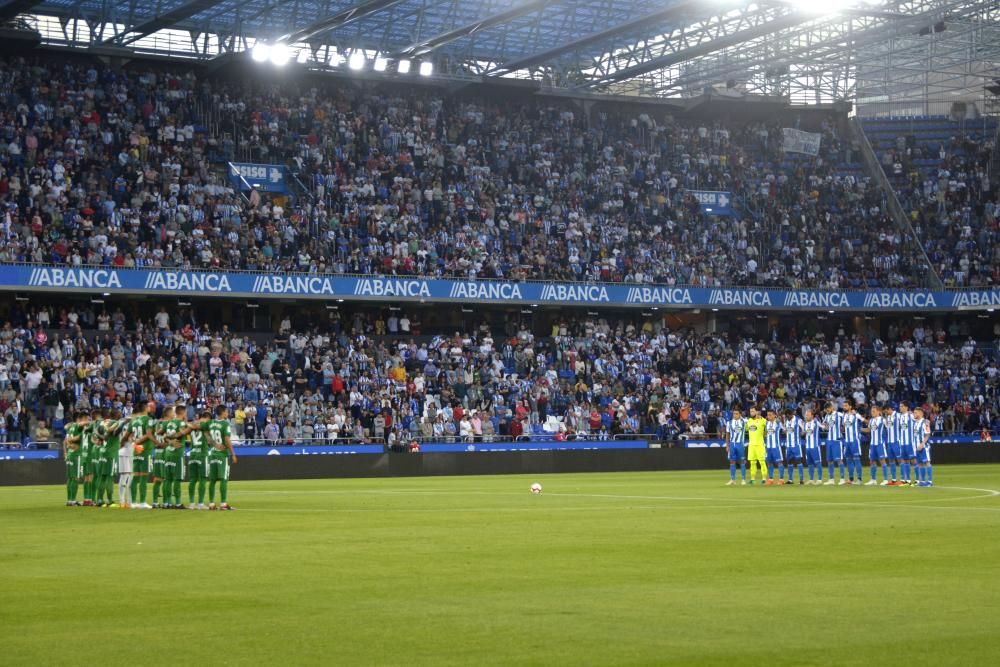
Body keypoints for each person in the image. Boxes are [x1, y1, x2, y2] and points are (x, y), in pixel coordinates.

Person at [202, 405, 237, 510]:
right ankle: (223, 504)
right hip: (222, 455)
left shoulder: (211, 423)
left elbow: (204, 430)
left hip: (212, 454)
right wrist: (233, 454)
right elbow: (227, 440)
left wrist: (213, 443)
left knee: (212, 480)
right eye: (226, 411)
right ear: (223, 412)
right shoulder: (225, 424)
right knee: (223, 479)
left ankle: (212, 504)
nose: (227, 413)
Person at [126, 401, 155, 508]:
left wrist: (134, 441)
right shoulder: (148, 419)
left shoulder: (134, 421)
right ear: (145, 408)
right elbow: (148, 434)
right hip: (145, 450)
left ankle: (133, 502)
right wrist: (157, 442)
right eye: (148, 406)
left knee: (135, 476)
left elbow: (129, 436)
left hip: (136, 451)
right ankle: (142, 502)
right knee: (143, 477)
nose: (150, 408)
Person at [184, 409, 212, 509]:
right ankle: (200, 503)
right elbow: (209, 440)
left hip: (192, 454)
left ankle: (191, 503)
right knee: (203, 479)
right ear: (208, 418)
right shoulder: (205, 425)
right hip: (202, 454)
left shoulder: (192, 425)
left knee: (192, 480)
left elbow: (184, 431)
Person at [161, 406, 186, 509]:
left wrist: (170, 441)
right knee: (177, 479)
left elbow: (164, 436)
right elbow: (181, 433)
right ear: (183, 413)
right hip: (177, 453)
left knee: (167, 479)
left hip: (168, 453)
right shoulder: (181, 423)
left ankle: (167, 502)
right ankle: (178, 503)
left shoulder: (169, 423)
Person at [62, 410, 87, 506]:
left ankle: (69, 500)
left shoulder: (70, 427)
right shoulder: (77, 426)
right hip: (76, 454)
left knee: (70, 478)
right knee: (76, 478)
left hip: (70, 454)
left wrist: (65, 452)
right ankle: (72, 500)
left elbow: (65, 441)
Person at [822, 402, 846, 485]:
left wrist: (842, 429)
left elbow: (845, 423)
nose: (827, 410)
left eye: (828, 409)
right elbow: (825, 426)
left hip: (837, 440)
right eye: (826, 409)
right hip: (829, 440)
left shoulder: (839, 415)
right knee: (829, 460)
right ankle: (831, 479)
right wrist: (823, 427)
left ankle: (842, 479)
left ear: (832, 407)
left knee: (839, 460)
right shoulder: (826, 416)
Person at [864, 406, 889, 486]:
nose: (872, 413)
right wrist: (860, 429)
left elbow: (890, 428)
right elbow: (869, 430)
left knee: (882, 460)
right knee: (872, 461)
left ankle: (885, 480)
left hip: (880, 443)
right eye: (871, 411)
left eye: (874, 411)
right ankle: (873, 480)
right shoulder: (871, 420)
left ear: (878, 412)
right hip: (872, 444)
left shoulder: (883, 420)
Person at [842, 401, 865, 485]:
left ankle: (859, 479)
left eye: (846, 406)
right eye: (843, 406)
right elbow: (844, 427)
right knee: (848, 460)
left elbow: (865, 421)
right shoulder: (844, 416)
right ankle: (851, 479)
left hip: (854, 441)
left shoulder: (856, 415)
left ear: (850, 406)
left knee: (856, 460)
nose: (844, 407)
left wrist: (859, 429)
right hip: (847, 441)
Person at [724, 407, 747, 485]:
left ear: (740, 414)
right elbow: (727, 434)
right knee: (732, 461)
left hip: (740, 444)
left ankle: (743, 479)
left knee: (742, 461)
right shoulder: (729, 423)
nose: (735, 415)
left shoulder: (744, 422)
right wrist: (727, 445)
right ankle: (732, 479)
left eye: (736, 414)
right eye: (734, 413)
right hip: (732, 444)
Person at [745, 406, 767, 485]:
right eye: (750, 411)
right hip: (751, 445)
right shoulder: (749, 421)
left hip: (760, 445)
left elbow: (767, 431)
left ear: (757, 412)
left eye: (753, 411)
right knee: (752, 462)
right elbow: (746, 429)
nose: (751, 413)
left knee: (762, 462)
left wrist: (764, 435)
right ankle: (752, 479)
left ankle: (764, 478)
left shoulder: (763, 421)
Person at [782, 409, 805, 485]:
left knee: (798, 461)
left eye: (787, 416)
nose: (787, 417)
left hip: (796, 445)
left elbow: (804, 428)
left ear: (790, 414)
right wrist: (785, 431)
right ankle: (790, 480)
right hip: (788, 445)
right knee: (789, 462)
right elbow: (785, 430)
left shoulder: (798, 420)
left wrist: (801, 434)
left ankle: (801, 480)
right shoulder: (786, 421)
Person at [896, 402, 916, 485]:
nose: (900, 407)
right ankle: (907, 480)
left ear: (906, 407)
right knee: (904, 461)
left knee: (913, 460)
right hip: (903, 442)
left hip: (910, 442)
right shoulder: (900, 417)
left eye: (901, 406)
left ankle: (918, 480)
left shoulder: (911, 415)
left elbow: (919, 419)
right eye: (900, 406)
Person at [764, 409, 785, 486]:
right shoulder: (767, 423)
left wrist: (781, 420)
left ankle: (781, 479)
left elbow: (784, 429)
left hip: (776, 447)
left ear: (774, 415)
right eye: (767, 415)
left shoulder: (777, 423)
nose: (768, 416)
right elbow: (766, 434)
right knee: (769, 463)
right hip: (768, 447)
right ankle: (770, 479)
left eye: (770, 415)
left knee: (779, 462)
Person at [802, 409, 823, 484]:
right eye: (806, 415)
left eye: (808, 415)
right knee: (810, 463)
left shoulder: (816, 422)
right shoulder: (805, 424)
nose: (806, 416)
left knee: (817, 462)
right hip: (808, 447)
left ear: (812, 416)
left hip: (815, 446)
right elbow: (804, 433)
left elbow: (824, 427)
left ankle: (820, 479)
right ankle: (811, 479)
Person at [913, 407, 933, 486]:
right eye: (914, 413)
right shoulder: (915, 423)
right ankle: (923, 481)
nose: (914, 414)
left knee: (927, 463)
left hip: (924, 447)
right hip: (917, 447)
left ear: (921, 413)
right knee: (920, 464)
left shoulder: (925, 422)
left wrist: (922, 443)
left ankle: (929, 481)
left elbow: (927, 434)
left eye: (915, 413)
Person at [883, 403, 902, 485]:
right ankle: (893, 480)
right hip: (889, 442)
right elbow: (887, 427)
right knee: (891, 460)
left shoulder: (898, 416)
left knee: (900, 460)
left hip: (896, 441)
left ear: (889, 409)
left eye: (886, 411)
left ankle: (903, 479)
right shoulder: (888, 417)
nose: (885, 413)